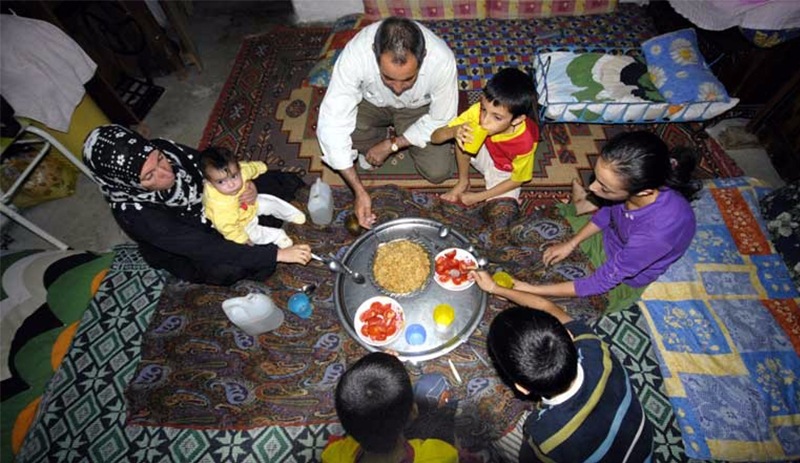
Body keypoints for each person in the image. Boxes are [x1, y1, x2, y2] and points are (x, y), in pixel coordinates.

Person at [491, 131, 699, 312]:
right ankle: (582, 207)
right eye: (596, 179)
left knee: (538, 301)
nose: (593, 189)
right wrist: (571, 243)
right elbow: (609, 212)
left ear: (643, 191)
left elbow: (600, 282)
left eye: (605, 188)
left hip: (619, 275)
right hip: (606, 234)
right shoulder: (632, 189)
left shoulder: (659, 232)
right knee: (520, 231)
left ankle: (580, 206)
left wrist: (532, 290)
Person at [83, 125, 312, 286]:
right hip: (190, 237)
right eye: (149, 176)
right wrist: (277, 255)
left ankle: (258, 224)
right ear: (128, 182)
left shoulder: (166, 148)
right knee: (232, 267)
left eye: (160, 160)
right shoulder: (137, 215)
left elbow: (211, 170)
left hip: (217, 203)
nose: (166, 173)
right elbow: (206, 246)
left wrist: (246, 186)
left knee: (277, 182)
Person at [317, 17, 458, 229]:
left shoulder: (442, 60)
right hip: (372, 103)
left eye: (409, 79)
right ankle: (373, 139)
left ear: (424, 57)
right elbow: (332, 121)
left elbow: (442, 120)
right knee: (342, 133)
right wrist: (359, 191)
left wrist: (393, 144)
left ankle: (385, 140)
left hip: (417, 110)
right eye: (388, 78)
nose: (398, 89)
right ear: (374, 53)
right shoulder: (356, 53)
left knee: (438, 172)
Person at [479, 298, 653, 462]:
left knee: (497, 433)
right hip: (642, 447)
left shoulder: (542, 434)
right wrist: (497, 288)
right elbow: (549, 307)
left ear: (522, 389)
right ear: (570, 336)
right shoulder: (595, 348)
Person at [322, 352, 459, 463]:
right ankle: (448, 409)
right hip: (420, 439)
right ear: (413, 411)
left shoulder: (333, 456)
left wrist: (384, 367)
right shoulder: (440, 456)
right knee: (434, 384)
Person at [431, 68, 539, 206]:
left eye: (497, 117)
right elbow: (435, 137)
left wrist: (477, 197)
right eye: (484, 109)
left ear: (517, 120)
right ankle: (463, 181)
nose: (484, 121)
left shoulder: (525, 141)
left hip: (505, 172)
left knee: (502, 210)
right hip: (485, 153)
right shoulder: (476, 112)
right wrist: (454, 131)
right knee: (464, 134)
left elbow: (518, 180)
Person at [200, 147, 306, 248]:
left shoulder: (241, 170)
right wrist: (241, 239)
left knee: (270, 202)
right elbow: (227, 228)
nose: (231, 184)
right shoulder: (218, 206)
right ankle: (278, 237)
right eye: (221, 182)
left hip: (250, 204)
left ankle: (291, 214)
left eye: (234, 176)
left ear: (238, 169)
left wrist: (261, 167)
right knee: (255, 235)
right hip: (240, 223)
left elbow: (250, 168)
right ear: (210, 183)